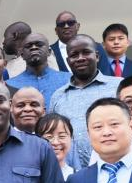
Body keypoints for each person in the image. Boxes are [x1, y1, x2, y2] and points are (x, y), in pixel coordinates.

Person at [50, 34, 122, 167]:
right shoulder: (58, 96)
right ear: (68, 61)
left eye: (86, 52)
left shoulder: (119, 86)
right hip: (73, 173)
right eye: (74, 55)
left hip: (115, 167)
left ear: (97, 56)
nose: (80, 58)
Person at [7, 32, 70, 103]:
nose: (34, 47)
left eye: (39, 44)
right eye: (28, 46)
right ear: (22, 55)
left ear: (49, 52)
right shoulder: (10, 84)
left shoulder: (68, 80)